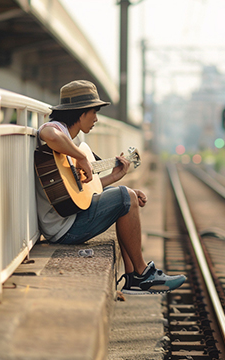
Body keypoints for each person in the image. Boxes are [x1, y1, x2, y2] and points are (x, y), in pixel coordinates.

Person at [35, 80, 186, 294]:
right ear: (80, 112)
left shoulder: (69, 139)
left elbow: (81, 192)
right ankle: (142, 274)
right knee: (125, 197)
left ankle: (135, 278)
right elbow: (48, 134)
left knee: (128, 195)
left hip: (68, 219)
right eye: (93, 112)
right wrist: (80, 156)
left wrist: (114, 177)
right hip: (64, 229)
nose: (96, 119)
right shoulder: (59, 130)